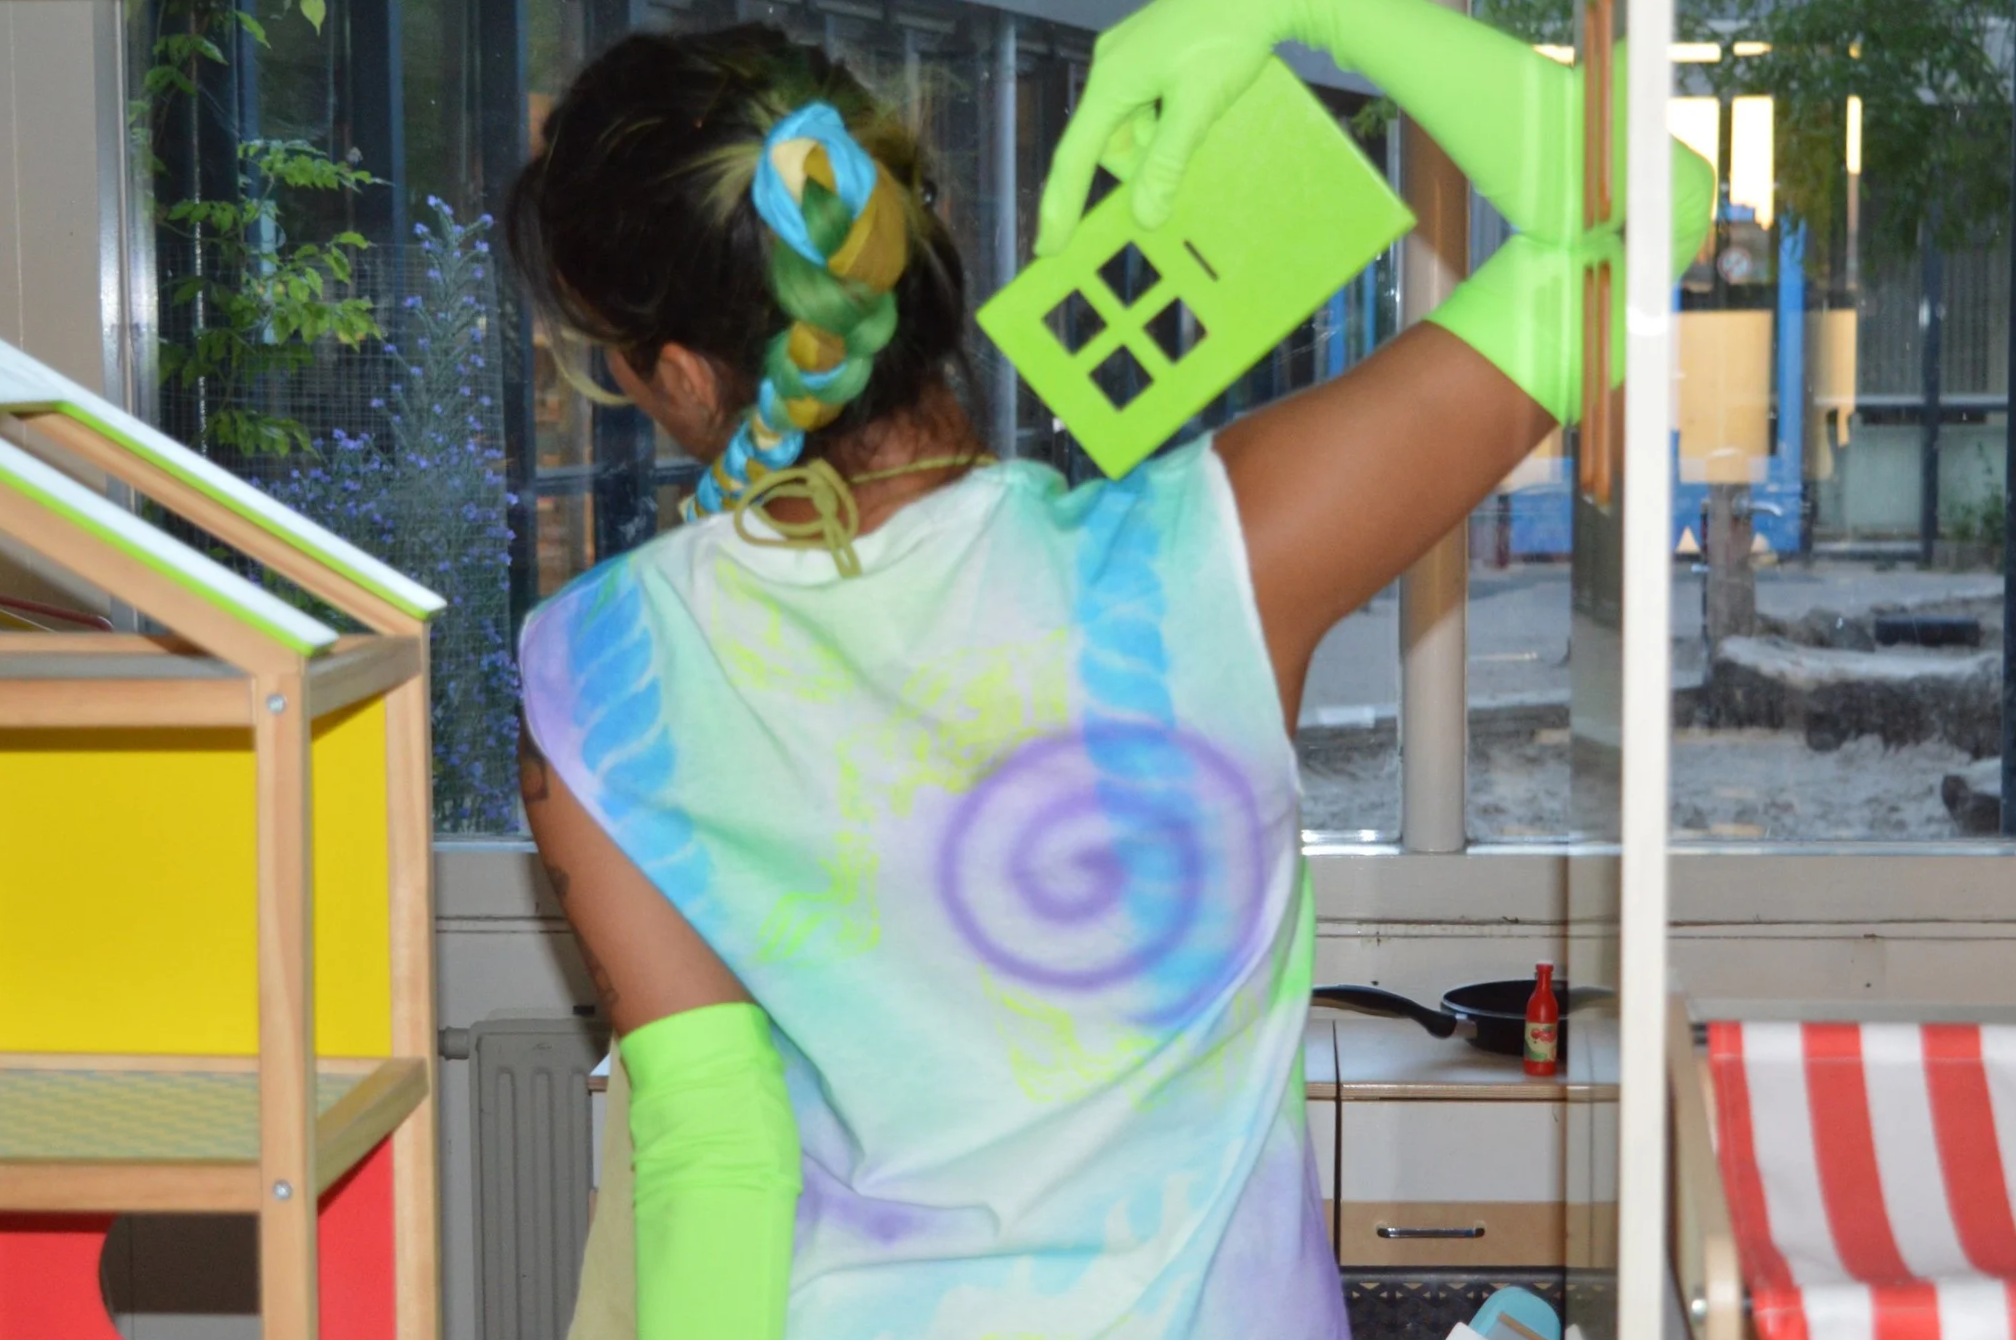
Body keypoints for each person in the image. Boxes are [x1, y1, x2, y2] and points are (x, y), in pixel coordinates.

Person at [510, 1, 1714, 1336]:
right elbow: (1658, 208)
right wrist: (1308, 10)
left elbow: (713, 1157)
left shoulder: (597, 678)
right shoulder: (1213, 559)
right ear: (908, 239)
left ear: (678, 376)